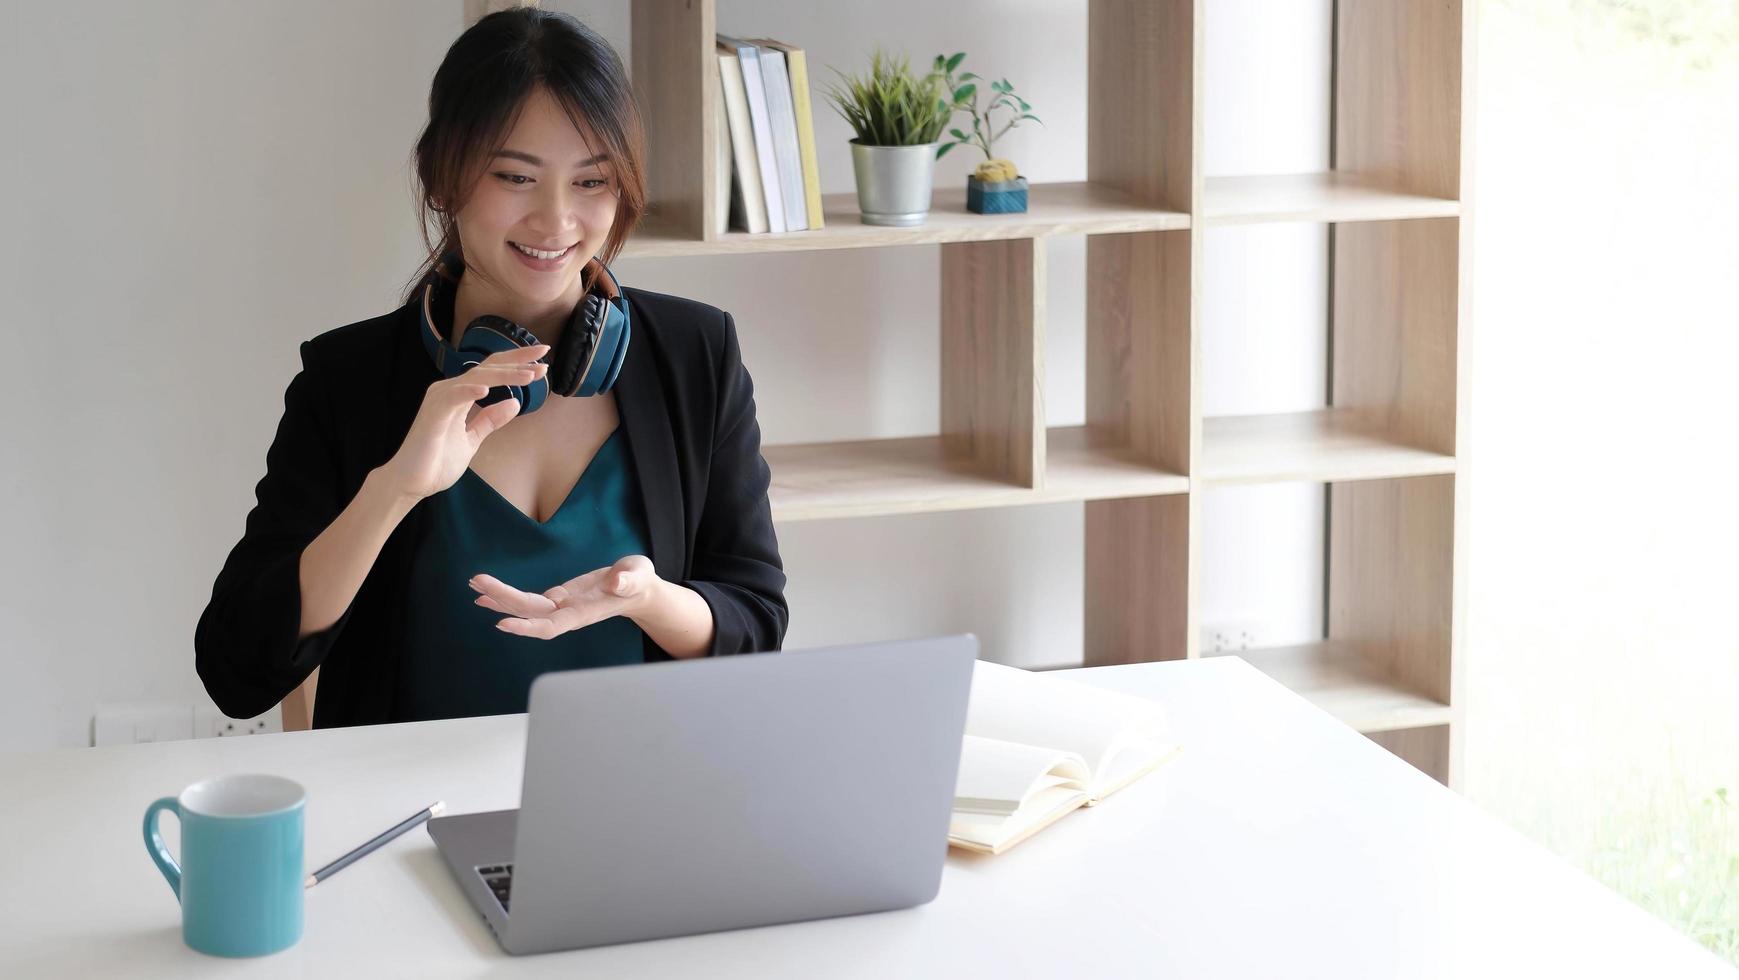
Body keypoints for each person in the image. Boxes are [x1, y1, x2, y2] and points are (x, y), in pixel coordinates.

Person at [195, 8, 787, 727]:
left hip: (640, 796)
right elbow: (235, 670)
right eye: (515, 176)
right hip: (413, 814)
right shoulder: (345, 380)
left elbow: (757, 629)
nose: (556, 221)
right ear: (443, 178)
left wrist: (648, 598)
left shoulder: (695, 353)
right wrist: (393, 491)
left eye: (592, 183)